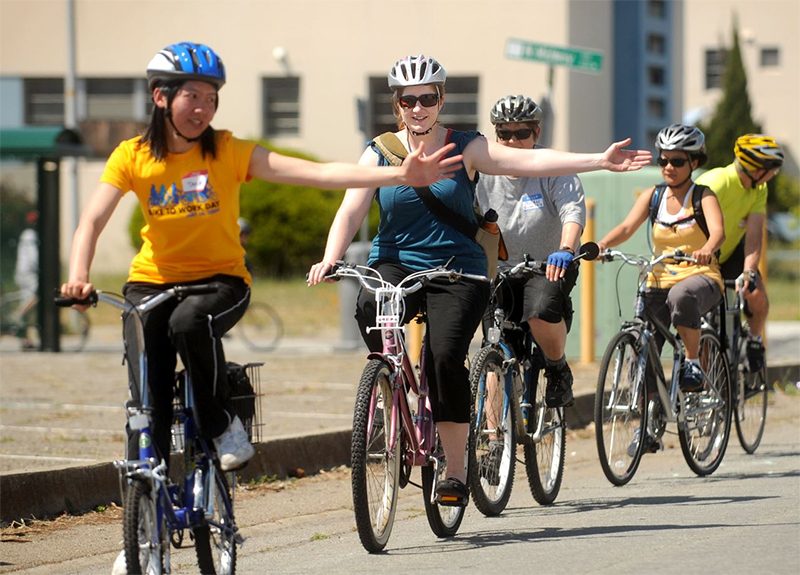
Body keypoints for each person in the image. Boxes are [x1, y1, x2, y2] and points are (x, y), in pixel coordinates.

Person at [60, 42, 461, 482]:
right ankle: (146, 528)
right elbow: (91, 221)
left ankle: (221, 426)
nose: (203, 109)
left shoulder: (227, 150)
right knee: (151, 392)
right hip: (150, 283)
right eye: (192, 96)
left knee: (188, 323)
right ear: (160, 97)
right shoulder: (132, 155)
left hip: (219, 282)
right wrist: (78, 277)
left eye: (211, 99)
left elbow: (320, 174)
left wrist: (397, 175)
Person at [308, 54, 651, 506]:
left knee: (445, 355)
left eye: (427, 98)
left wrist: (599, 160)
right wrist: (331, 259)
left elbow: (530, 161)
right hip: (394, 261)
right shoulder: (379, 151)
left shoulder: (465, 147)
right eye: (408, 100)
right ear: (397, 104)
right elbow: (351, 209)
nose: (418, 108)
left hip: (457, 268)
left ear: (440, 100)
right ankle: (388, 388)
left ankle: (454, 470)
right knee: (369, 306)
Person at [597, 124, 725, 451]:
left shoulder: (703, 196)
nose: (668, 167)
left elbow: (718, 233)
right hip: (659, 277)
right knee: (643, 347)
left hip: (701, 277)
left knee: (680, 296)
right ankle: (648, 426)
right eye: (663, 160)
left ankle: (693, 363)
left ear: (694, 163)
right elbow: (627, 226)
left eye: (677, 161)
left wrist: (707, 248)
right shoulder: (653, 196)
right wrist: (601, 245)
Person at [475, 94, 586, 409]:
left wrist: (565, 248)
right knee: (493, 347)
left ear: (536, 133)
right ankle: (495, 439)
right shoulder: (483, 170)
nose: (512, 140)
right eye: (504, 134)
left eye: (521, 133)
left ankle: (557, 368)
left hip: (547, 265)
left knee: (538, 310)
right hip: (499, 269)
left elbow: (572, 212)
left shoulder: (553, 167)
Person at [695, 134, 784, 372]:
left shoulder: (759, 189)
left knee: (756, 290)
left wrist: (748, 272)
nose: (773, 176)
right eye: (771, 170)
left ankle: (754, 339)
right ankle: (704, 379)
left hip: (731, 252)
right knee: (702, 324)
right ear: (755, 169)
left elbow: (754, 236)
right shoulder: (717, 182)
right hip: (701, 257)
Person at [14, 210, 39, 350]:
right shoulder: (30, 235)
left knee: (28, 303)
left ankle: (25, 340)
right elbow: (34, 257)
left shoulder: (28, 234)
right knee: (37, 296)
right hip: (29, 273)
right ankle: (19, 314)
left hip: (24, 272)